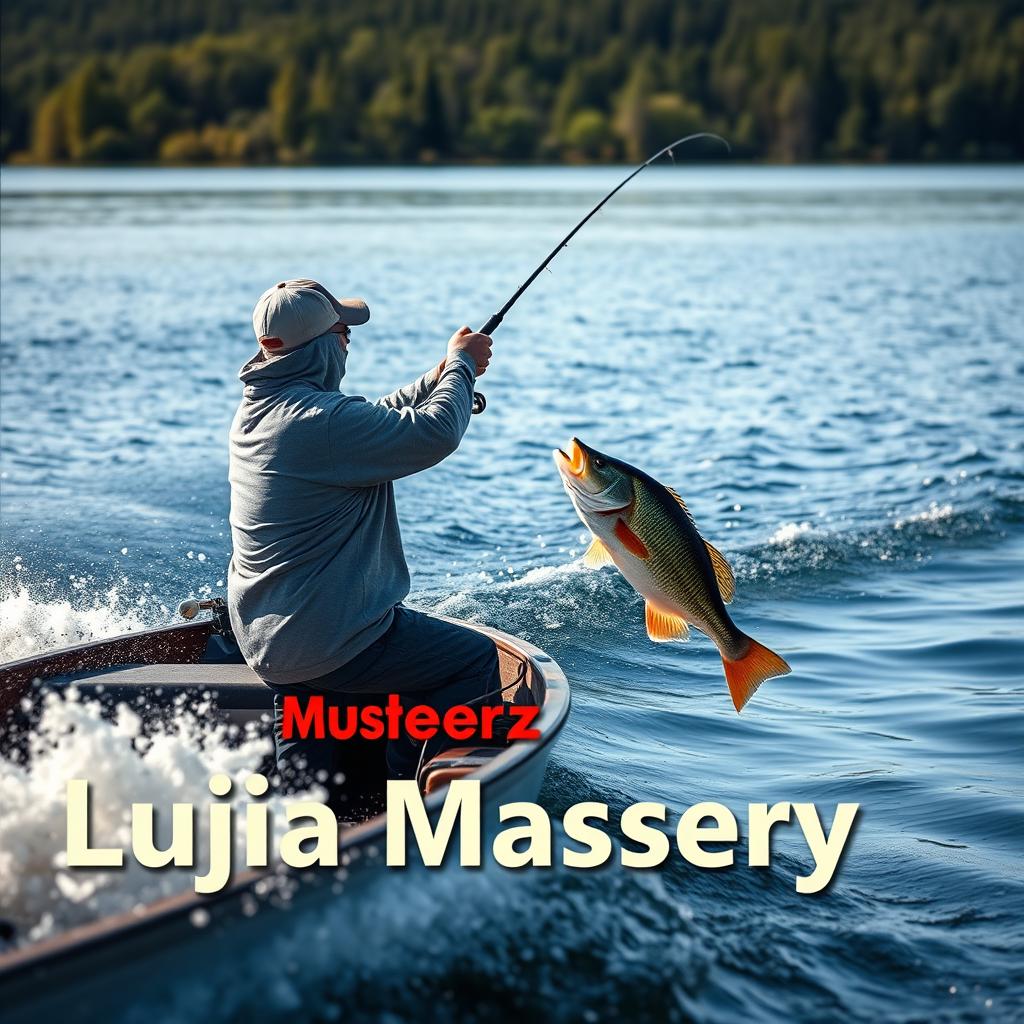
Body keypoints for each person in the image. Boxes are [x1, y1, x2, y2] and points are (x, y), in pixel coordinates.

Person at [227, 279, 501, 796]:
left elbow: (368, 417)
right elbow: (433, 434)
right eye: (341, 331)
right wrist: (462, 367)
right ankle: (414, 794)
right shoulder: (321, 423)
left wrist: (439, 377)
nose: (348, 340)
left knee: (313, 775)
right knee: (473, 660)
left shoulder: (263, 409)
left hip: (272, 644)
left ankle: (300, 813)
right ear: (322, 346)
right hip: (330, 640)